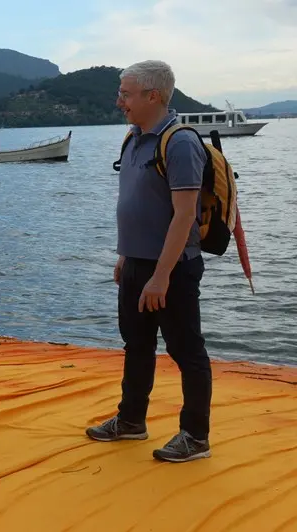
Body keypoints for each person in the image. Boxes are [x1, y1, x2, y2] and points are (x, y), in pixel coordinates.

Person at [85, 60, 213, 462]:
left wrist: (161, 276)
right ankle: (131, 422)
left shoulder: (179, 143)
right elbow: (138, 204)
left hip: (171, 268)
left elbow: (184, 214)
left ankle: (195, 437)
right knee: (136, 344)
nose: (119, 101)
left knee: (186, 351)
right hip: (139, 264)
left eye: (126, 93)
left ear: (152, 95)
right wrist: (126, 258)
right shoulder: (134, 138)